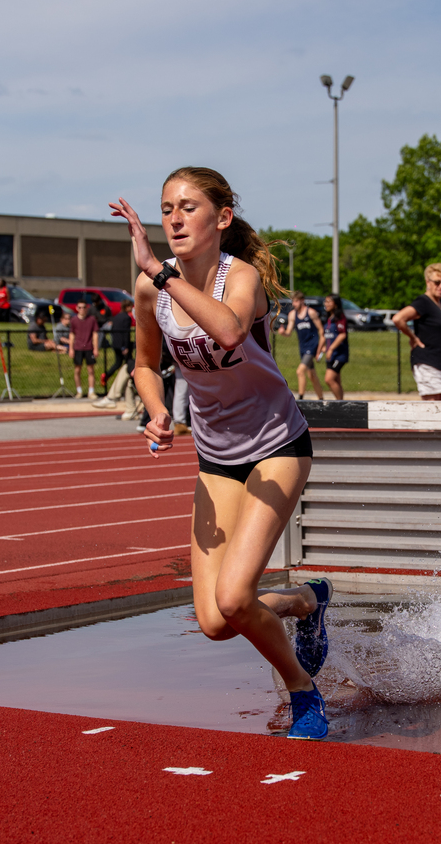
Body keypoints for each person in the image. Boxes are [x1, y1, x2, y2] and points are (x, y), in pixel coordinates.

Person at [111, 165, 333, 740]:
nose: (175, 218)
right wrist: (158, 410)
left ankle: (304, 692)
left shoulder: (240, 279)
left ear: (222, 219)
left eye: (188, 206)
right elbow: (143, 363)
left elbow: (230, 332)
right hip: (216, 455)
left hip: (277, 443)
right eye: (166, 209)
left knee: (235, 598)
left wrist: (160, 273)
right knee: (214, 620)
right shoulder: (150, 289)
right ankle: (306, 601)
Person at [393, 263, 441, 400]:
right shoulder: (423, 302)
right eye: (437, 282)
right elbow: (398, 319)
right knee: (433, 407)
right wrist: (413, 338)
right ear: (428, 282)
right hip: (429, 361)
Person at [278, 291, 324, 399]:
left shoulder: (311, 312)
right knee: (311, 375)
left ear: (302, 301)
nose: (294, 304)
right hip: (303, 347)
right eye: (293, 301)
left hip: (312, 345)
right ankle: (321, 399)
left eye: (296, 301)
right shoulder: (292, 315)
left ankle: (301, 398)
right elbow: (289, 332)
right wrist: (283, 332)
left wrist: (320, 349)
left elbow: (321, 331)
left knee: (300, 371)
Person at [68, 299, 100, 398]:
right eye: (80, 307)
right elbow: (72, 334)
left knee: (90, 370)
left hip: (89, 347)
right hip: (78, 347)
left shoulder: (92, 319)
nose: (82, 309)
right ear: (77, 308)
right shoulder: (74, 320)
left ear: (87, 308)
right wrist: (71, 348)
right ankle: (79, 391)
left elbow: (95, 334)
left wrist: (96, 348)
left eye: (84, 307)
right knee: (77, 370)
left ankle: (91, 391)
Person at [320, 294, 348, 400]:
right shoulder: (328, 318)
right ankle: (341, 403)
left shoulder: (340, 317)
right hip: (330, 355)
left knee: (329, 379)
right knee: (336, 381)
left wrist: (331, 349)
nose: (326, 304)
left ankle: (340, 403)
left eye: (329, 302)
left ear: (335, 304)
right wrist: (321, 349)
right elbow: (326, 336)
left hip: (339, 354)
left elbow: (342, 335)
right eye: (325, 301)